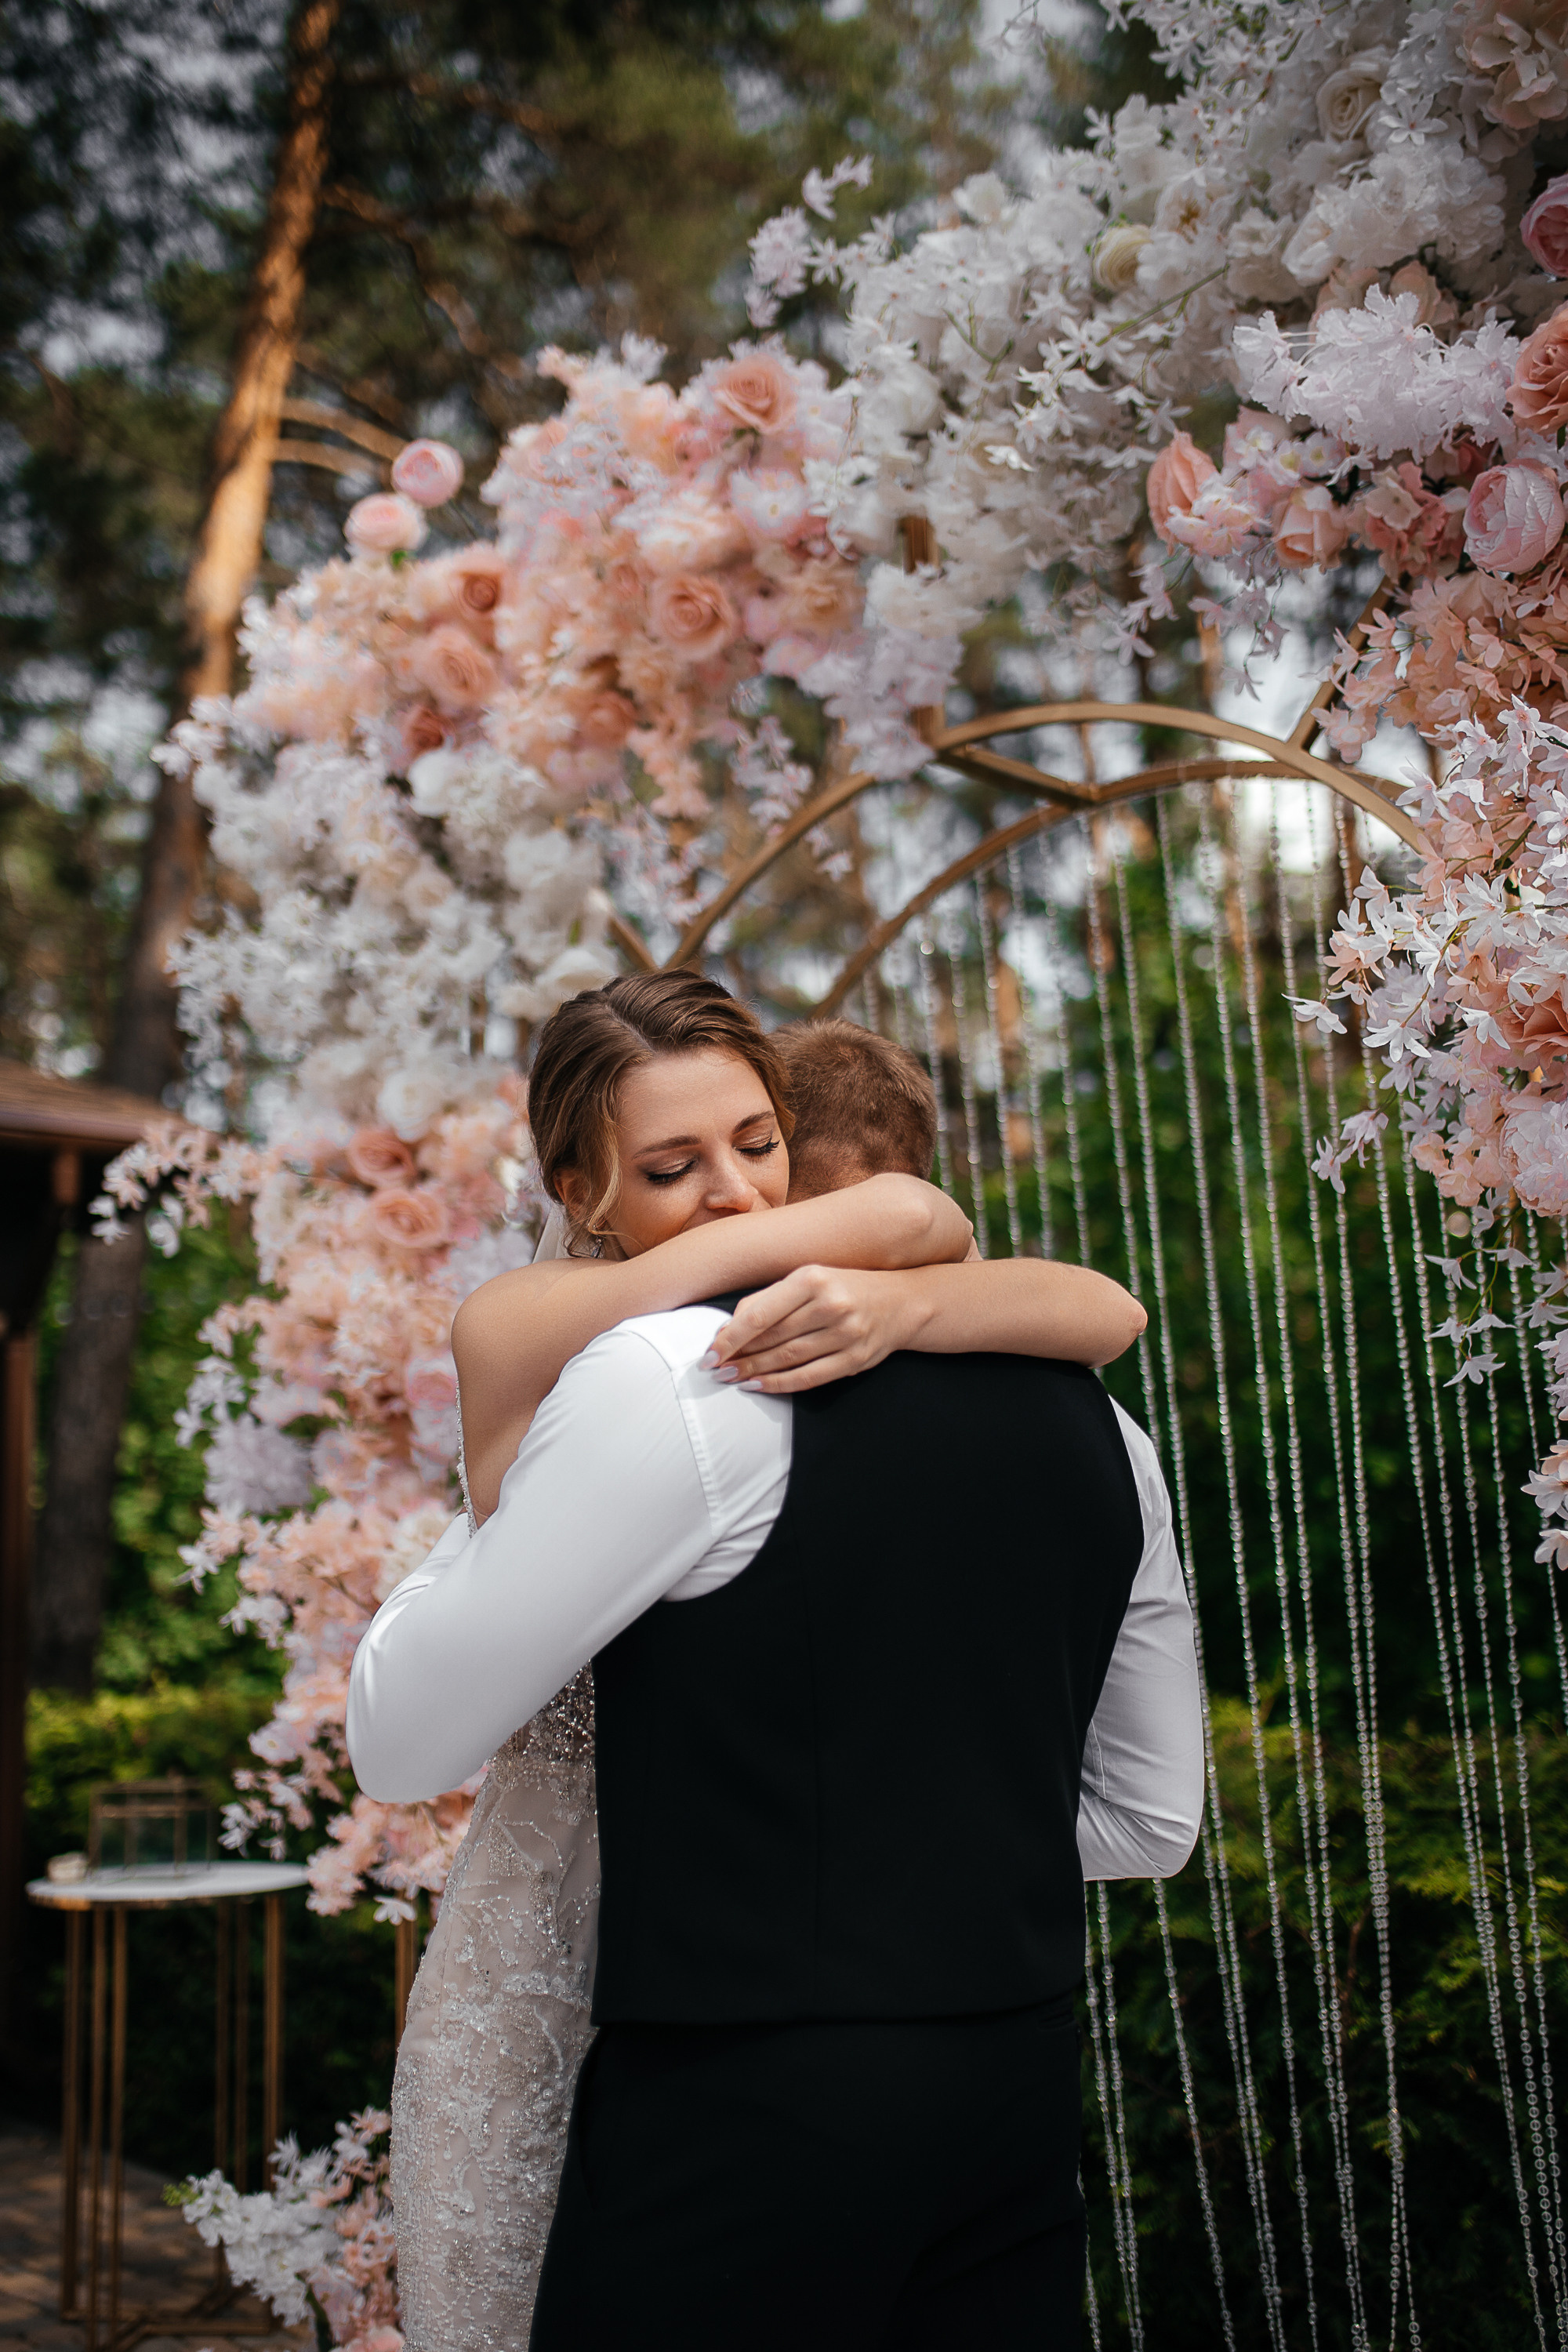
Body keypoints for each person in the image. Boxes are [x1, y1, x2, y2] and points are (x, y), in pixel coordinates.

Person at [350, 975, 1201, 2349]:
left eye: (756, 1147)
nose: (741, 1200)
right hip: (1021, 2086)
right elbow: (1149, 1821)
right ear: (584, 1187)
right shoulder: (1108, 1429)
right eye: (676, 1166)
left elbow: (397, 1743)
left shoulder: (682, 1380)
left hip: (744, 2108)